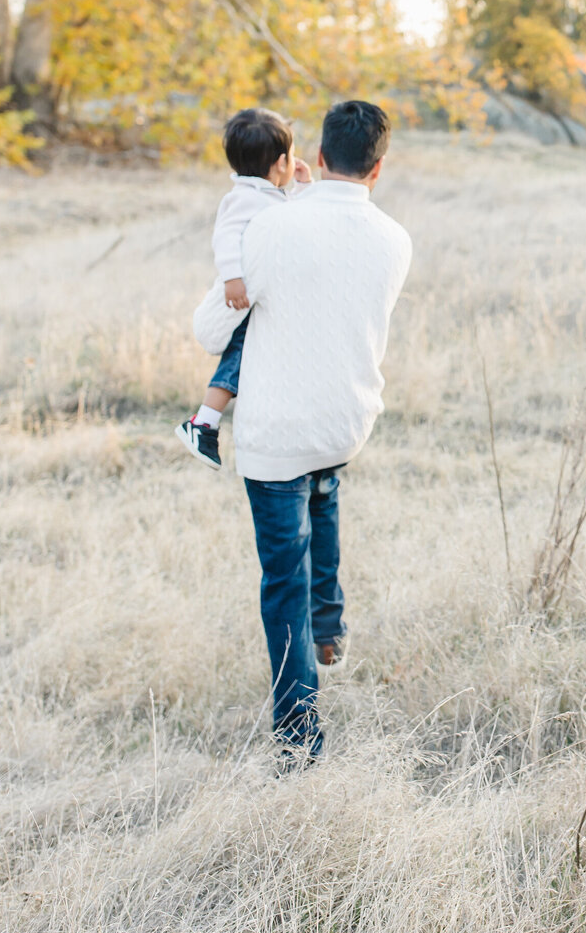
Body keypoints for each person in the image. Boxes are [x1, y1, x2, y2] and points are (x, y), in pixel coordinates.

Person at [193, 99, 411, 769]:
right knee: (323, 490)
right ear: (377, 169)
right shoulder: (394, 239)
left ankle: (298, 735)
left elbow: (210, 331)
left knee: (281, 575)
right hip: (345, 423)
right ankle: (329, 626)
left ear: (317, 158)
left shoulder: (272, 228)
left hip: (277, 432)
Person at [176, 107, 311, 470]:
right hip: (244, 297)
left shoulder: (269, 193)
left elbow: (294, 219)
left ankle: (208, 420)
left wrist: (304, 186)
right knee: (238, 355)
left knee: (249, 356)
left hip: (261, 297)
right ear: (281, 162)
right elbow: (226, 237)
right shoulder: (243, 197)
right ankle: (203, 421)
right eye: (293, 155)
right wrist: (233, 277)